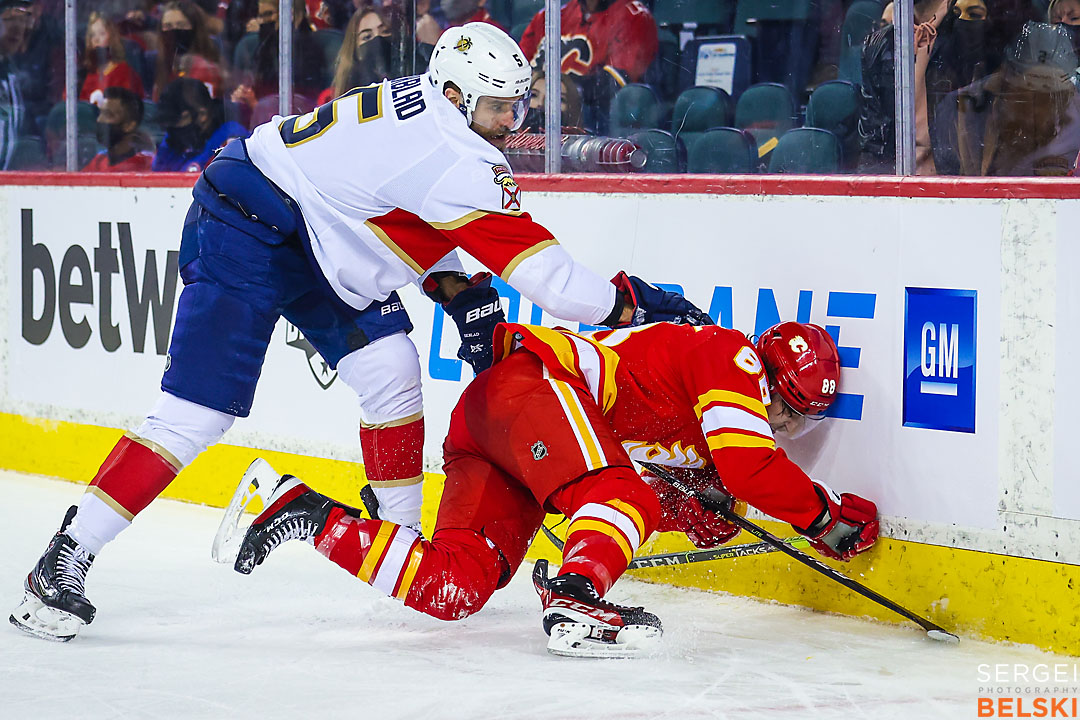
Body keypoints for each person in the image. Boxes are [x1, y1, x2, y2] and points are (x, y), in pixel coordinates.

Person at [9, 22, 707, 643]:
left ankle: (399, 544)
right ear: (460, 98)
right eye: (500, 107)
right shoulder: (461, 157)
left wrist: (456, 287)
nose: (512, 119)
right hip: (245, 225)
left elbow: (393, 198)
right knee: (196, 413)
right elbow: (554, 284)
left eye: (518, 104)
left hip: (314, 231)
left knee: (393, 368)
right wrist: (633, 301)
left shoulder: (429, 106)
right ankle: (64, 557)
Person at [222, 320, 878, 657]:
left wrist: (691, 513)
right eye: (784, 408)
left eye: (796, 421)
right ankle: (577, 596)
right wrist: (825, 519)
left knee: (457, 587)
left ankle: (295, 508)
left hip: (496, 427)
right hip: (531, 389)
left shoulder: (705, 425)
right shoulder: (729, 354)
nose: (781, 424)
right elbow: (747, 468)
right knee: (625, 496)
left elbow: (647, 487)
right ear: (765, 373)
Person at [857, 0, 993, 173]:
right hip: (899, 188)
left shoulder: (970, 29)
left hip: (958, 187)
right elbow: (873, 147)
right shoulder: (879, 45)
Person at [934, 21, 1080, 175]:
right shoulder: (962, 109)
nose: (1035, 109)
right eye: (1026, 94)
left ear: (1067, 93)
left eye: (1048, 97)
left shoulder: (1075, 115)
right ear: (1006, 79)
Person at [518, 0, 658, 86]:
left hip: (591, 122)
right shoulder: (548, 16)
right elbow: (517, 71)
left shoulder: (635, 17)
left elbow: (612, 84)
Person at [152, 77, 248, 172]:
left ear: (203, 114)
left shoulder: (231, 137)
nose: (173, 126)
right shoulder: (172, 139)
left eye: (176, 119)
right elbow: (157, 173)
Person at [315, 5, 392, 106]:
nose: (378, 40)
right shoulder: (331, 100)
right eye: (367, 37)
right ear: (355, 50)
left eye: (385, 31)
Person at [153, 1, 223, 102]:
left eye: (181, 25)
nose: (174, 31)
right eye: (168, 26)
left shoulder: (205, 68)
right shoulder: (160, 66)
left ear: (195, 29)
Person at [82, 86, 155, 171]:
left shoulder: (146, 165)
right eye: (100, 113)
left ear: (129, 126)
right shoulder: (99, 160)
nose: (99, 119)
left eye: (108, 115)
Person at [80, 12, 144, 107]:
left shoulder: (124, 71)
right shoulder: (86, 74)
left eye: (102, 34)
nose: (96, 39)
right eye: (92, 35)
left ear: (112, 37)